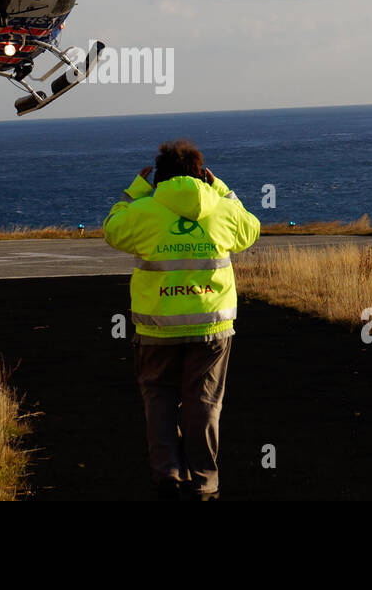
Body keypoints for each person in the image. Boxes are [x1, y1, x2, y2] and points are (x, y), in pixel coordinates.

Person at [102, 138, 261, 500]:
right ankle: (205, 481)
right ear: (202, 175)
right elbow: (251, 230)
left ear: (158, 178)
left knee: (158, 398)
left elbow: (112, 229)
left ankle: (168, 476)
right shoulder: (220, 209)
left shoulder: (144, 209)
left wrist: (135, 194)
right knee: (203, 403)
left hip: (156, 327)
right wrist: (221, 189)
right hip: (211, 326)